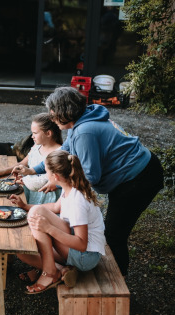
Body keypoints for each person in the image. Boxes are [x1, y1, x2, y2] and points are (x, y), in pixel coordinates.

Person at [19, 86, 164, 276]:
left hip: (139, 178)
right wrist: (33, 170)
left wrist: (59, 182)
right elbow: (63, 153)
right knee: (112, 231)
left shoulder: (84, 132)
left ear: (65, 111)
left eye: (53, 114)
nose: (52, 119)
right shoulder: (80, 121)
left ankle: (116, 284)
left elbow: (91, 175)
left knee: (114, 234)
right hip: (135, 172)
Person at [12, 150, 106, 294]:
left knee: (36, 213)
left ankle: (50, 273)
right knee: (22, 252)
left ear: (55, 176)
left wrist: (49, 229)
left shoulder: (77, 200)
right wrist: (25, 206)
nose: (45, 175)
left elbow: (81, 244)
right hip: (73, 248)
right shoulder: (69, 187)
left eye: (46, 172)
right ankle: (62, 270)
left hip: (85, 256)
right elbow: (55, 207)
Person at [0, 113, 63, 205]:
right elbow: (24, 163)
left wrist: (26, 181)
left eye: (35, 133)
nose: (32, 136)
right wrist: (3, 171)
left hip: (48, 199)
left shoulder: (59, 152)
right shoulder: (37, 146)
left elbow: (51, 179)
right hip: (32, 192)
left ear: (48, 133)